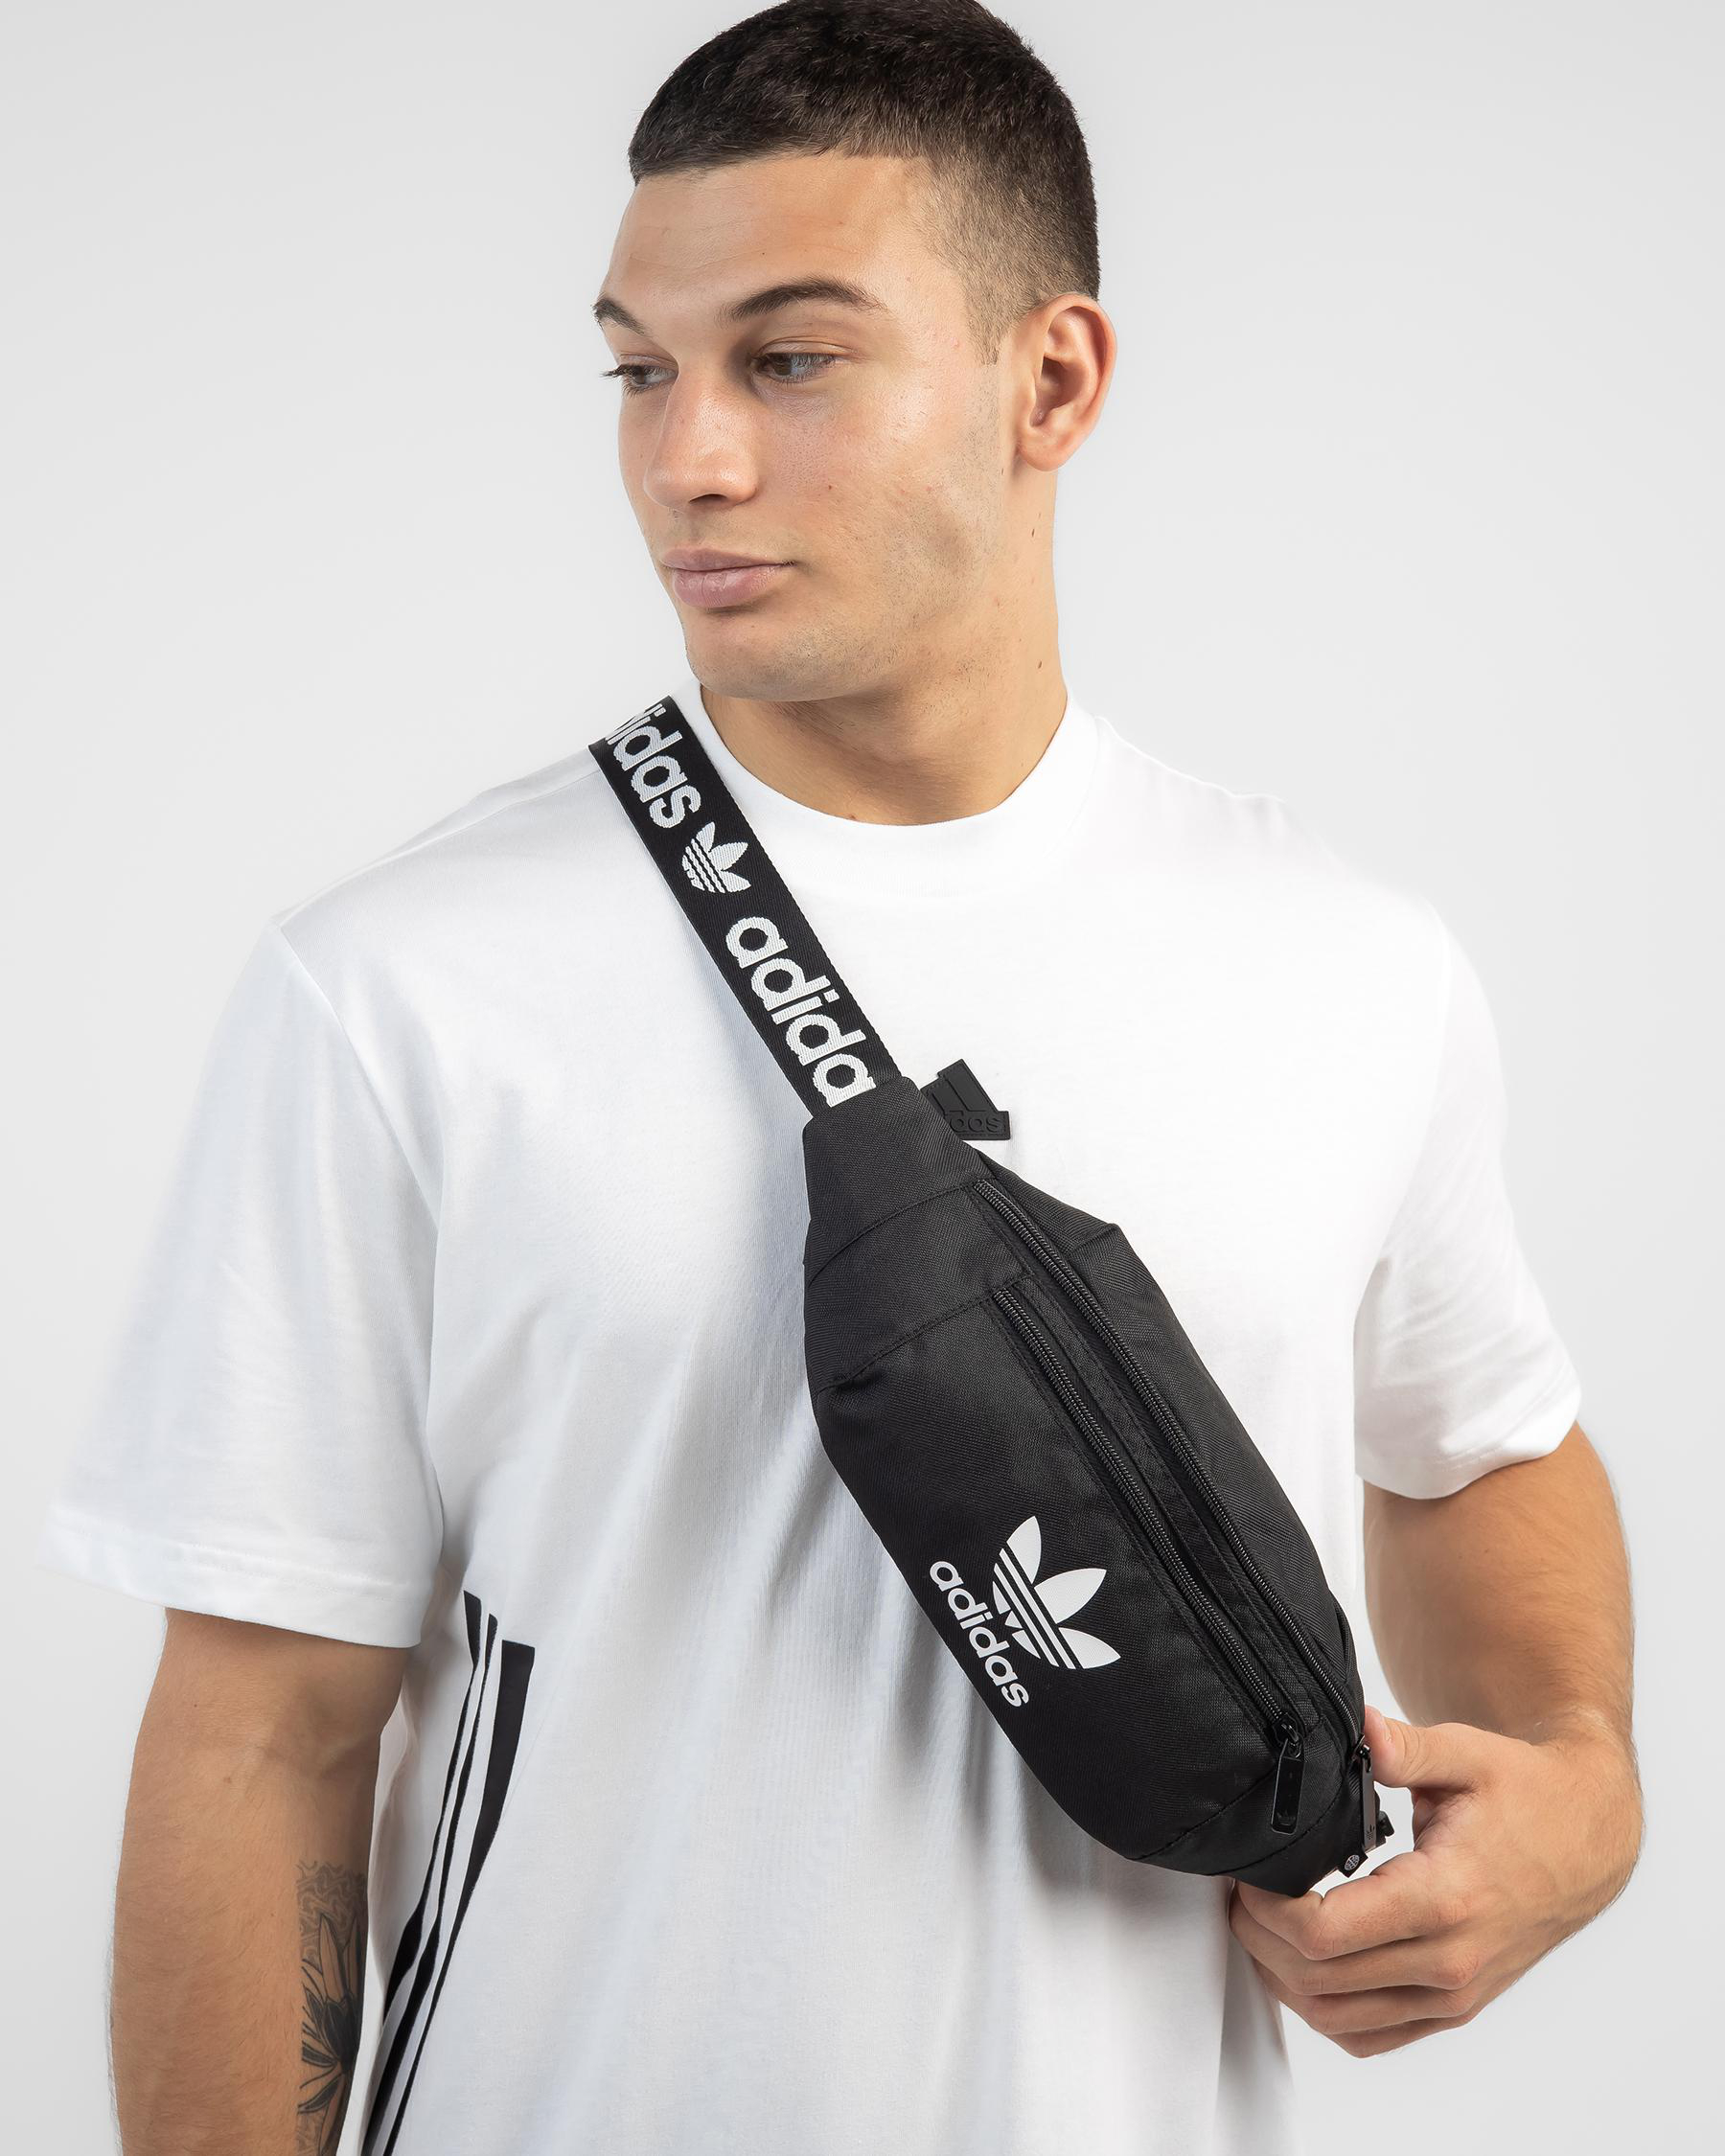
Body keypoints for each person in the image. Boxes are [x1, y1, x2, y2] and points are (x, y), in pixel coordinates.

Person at [35, 4, 1642, 2151]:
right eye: (641, 370)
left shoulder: (1347, 966)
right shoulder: (403, 989)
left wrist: (1581, 1790)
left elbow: (1480, 1443)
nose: (686, 460)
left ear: (1051, 381)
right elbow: (260, 1739)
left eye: (788, 360)